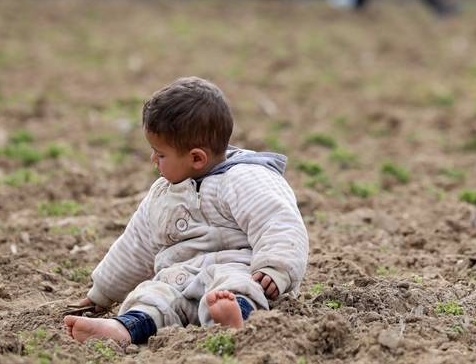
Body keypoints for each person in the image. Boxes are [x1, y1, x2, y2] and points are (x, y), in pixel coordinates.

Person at [63, 77, 309, 345]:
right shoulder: (161, 194)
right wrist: (101, 293)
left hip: (235, 269)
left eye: (160, 154)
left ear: (196, 158)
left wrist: (275, 269)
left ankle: (234, 318)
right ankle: (124, 329)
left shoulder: (246, 179)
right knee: (152, 297)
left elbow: (279, 221)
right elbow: (136, 245)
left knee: (237, 287)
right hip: (177, 279)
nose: (153, 160)